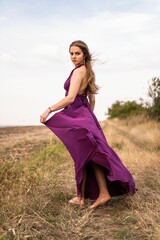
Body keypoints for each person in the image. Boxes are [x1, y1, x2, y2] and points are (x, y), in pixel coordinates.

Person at [40, 40, 136, 209]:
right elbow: (92, 99)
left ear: (84, 54)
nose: (73, 57)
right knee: (88, 154)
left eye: (77, 53)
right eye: (71, 53)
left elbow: (70, 98)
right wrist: (88, 118)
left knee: (84, 154)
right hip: (84, 116)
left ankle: (84, 197)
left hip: (78, 114)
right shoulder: (88, 71)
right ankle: (87, 196)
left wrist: (49, 109)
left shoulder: (79, 72)